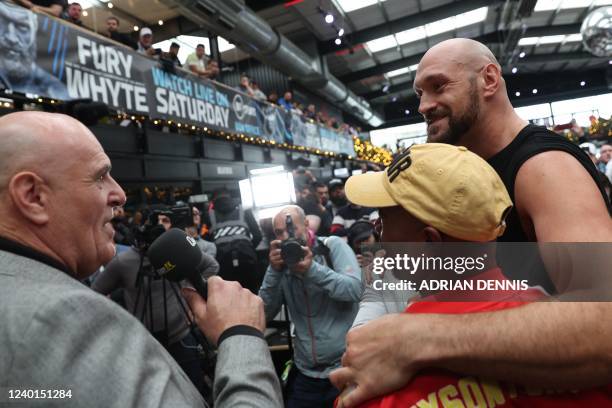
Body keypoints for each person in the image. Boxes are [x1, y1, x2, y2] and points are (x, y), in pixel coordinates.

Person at [329, 38, 612, 408]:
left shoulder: (544, 168)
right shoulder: (468, 170)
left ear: (489, 79)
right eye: (419, 93)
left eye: (438, 86)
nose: (423, 106)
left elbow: (605, 322)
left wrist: (417, 335)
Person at [0, 111, 282, 407]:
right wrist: (240, 335)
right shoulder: (67, 316)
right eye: (99, 176)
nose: (120, 194)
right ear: (33, 196)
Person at [91, 211, 219, 399]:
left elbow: (211, 266)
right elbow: (95, 292)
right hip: (145, 345)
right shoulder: (124, 261)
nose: (161, 227)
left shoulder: (176, 252)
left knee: (195, 393)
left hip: (182, 339)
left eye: (165, 221)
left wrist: (189, 293)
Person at [259, 205, 362, 408]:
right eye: (279, 232)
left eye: (292, 228)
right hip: (306, 373)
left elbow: (354, 290)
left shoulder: (331, 247)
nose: (287, 236)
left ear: (306, 225)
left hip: (346, 367)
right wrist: (274, 270)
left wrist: (312, 270)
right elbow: (263, 313)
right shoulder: (281, 264)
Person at [0, 2, 69, 100]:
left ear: (34, 31)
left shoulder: (54, 89)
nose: (12, 38)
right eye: (2, 24)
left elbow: (56, 11)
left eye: (22, 27)